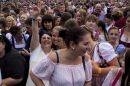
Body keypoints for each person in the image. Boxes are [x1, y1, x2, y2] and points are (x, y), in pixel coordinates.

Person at [26, 14, 53, 86]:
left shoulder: (55, 54)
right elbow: (35, 34)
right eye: (43, 38)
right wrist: (34, 17)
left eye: (48, 38)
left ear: (52, 41)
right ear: (40, 41)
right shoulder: (36, 50)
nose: (46, 40)